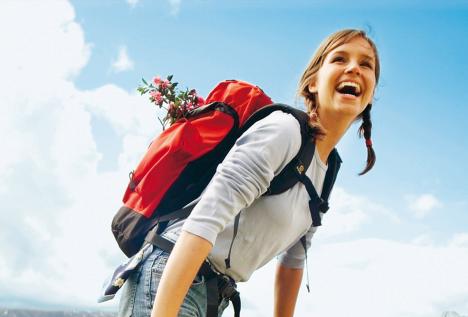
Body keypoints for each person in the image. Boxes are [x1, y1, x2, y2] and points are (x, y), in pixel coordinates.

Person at [118, 28, 380, 317]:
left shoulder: (327, 172)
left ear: (371, 92)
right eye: (340, 59)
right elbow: (204, 220)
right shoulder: (284, 131)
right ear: (313, 83)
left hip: (212, 293)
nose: (354, 68)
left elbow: (293, 261)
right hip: (169, 273)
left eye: (366, 64)